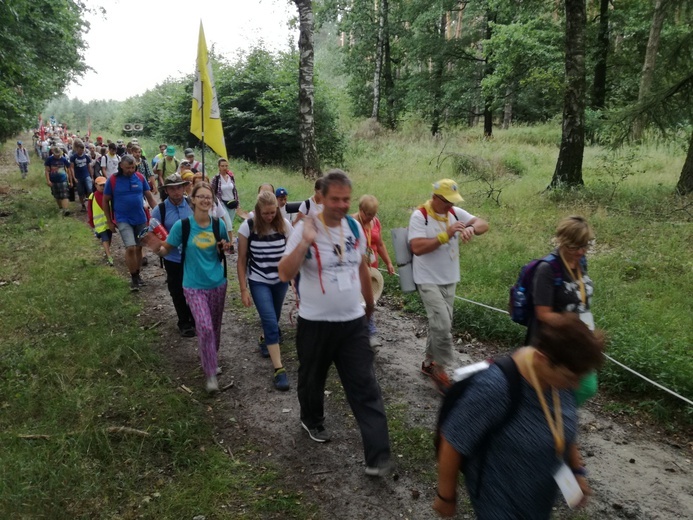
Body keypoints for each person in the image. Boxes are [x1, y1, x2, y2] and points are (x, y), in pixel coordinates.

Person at [278, 169, 391, 476]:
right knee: (312, 379)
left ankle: (378, 455)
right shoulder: (305, 228)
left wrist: (369, 307)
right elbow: (285, 273)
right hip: (315, 323)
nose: (342, 205)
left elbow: (361, 270)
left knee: (365, 385)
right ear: (322, 198)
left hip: (352, 322)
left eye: (346, 199)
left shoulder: (354, 227)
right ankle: (311, 420)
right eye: (335, 199)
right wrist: (305, 244)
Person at [434, 314, 604, 519]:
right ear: (542, 359)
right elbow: (453, 440)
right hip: (501, 505)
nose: (575, 385)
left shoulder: (561, 382)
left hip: (537, 502)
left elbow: (562, 423)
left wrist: (577, 470)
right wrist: (446, 497)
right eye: (570, 378)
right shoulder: (496, 388)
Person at [408, 179, 489, 392]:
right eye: (446, 202)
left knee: (440, 323)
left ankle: (428, 363)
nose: (450, 206)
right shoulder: (420, 216)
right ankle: (441, 370)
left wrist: (471, 228)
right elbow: (416, 247)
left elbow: (483, 223)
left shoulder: (454, 212)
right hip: (426, 278)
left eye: (453, 202)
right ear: (435, 198)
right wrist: (447, 234)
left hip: (450, 277)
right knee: (442, 324)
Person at [151, 182, 231, 393]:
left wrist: (226, 247)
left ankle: (211, 358)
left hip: (217, 283)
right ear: (193, 199)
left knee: (214, 328)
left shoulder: (218, 225)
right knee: (203, 327)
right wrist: (154, 247)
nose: (205, 200)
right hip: (193, 285)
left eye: (209, 197)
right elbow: (166, 249)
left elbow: (225, 249)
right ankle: (210, 373)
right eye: (201, 196)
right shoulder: (182, 226)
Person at [529, 215, 597, 405]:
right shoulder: (547, 269)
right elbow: (543, 314)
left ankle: (558, 415)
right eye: (574, 247)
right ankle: (552, 420)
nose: (580, 252)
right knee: (566, 387)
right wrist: (574, 324)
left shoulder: (580, 262)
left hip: (578, 336)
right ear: (562, 241)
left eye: (584, 246)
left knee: (586, 386)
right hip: (556, 342)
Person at [238, 191, 293, 391]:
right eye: (265, 213)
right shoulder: (248, 228)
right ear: (258, 211)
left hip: (280, 280)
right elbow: (242, 259)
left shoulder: (285, 226)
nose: (269, 217)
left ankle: (264, 339)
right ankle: (279, 370)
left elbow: (293, 254)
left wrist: (294, 279)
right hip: (258, 280)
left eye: (272, 213)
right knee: (270, 321)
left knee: (274, 317)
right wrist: (243, 288)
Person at [102, 155, 158, 291]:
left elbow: (149, 196)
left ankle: (137, 275)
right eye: (128, 168)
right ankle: (133, 277)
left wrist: (158, 214)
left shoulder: (139, 177)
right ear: (121, 166)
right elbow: (105, 200)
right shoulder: (113, 180)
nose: (131, 170)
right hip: (122, 219)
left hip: (140, 218)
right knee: (130, 247)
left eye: (133, 167)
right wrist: (109, 221)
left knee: (139, 247)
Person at [151, 173, 196, 337]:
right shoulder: (160, 210)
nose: (176, 192)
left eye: (179, 187)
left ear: (184, 187)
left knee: (193, 289)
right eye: (172, 188)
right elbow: (152, 232)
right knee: (177, 290)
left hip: (193, 257)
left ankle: (194, 318)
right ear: (167, 191)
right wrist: (159, 248)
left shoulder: (193, 204)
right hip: (172, 258)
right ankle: (184, 322)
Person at [352, 194, 395, 347]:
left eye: (373, 214)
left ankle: (366, 332)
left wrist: (388, 262)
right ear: (360, 210)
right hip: (356, 271)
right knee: (359, 302)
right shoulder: (351, 223)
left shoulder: (376, 223)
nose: (370, 218)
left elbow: (380, 244)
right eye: (367, 214)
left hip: (372, 271)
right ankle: (365, 332)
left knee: (369, 301)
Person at [87, 176, 114, 266]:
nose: (103, 187)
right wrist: (91, 221)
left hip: (108, 221)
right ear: (96, 185)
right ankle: (109, 255)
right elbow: (90, 209)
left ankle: (107, 252)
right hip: (99, 223)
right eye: (101, 185)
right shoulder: (92, 196)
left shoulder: (109, 195)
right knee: (105, 238)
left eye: (104, 185)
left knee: (109, 237)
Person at [44, 147, 72, 216]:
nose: (58, 156)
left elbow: (69, 170)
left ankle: (65, 210)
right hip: (53, 180)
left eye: (59, 154)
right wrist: (48, 180)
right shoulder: (49, 159)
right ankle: (61, 208)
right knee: (57, 196)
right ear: (53, 153)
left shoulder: (64, 159)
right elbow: (47, 171)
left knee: (65, 195)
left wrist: (70, 181)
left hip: (63, 180)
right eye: (56, 155)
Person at [210, 158, 239, 226]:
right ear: (219, 167)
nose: (224, 167)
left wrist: (237, 203)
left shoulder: (231, 177)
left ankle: (225, 236)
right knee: (227, 224)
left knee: (230, 224)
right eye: (222, 166)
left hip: (232, 202)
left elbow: (235, 191)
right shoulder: (216, 178)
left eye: (226, 166)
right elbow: (211, 190)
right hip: (222, 203)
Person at [69, 138, 94, 211]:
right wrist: (74, 178)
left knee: (90, 189)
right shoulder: (73, 157)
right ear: (77, 149)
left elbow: (89, 167)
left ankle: (90, 203)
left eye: (82, 150)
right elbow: (72, 168)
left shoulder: (86, 157)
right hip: (78, 177)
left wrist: (91, 176)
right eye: (80, 150)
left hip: (86, 175)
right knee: (80, 192)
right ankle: (83, 205)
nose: (81, 152)